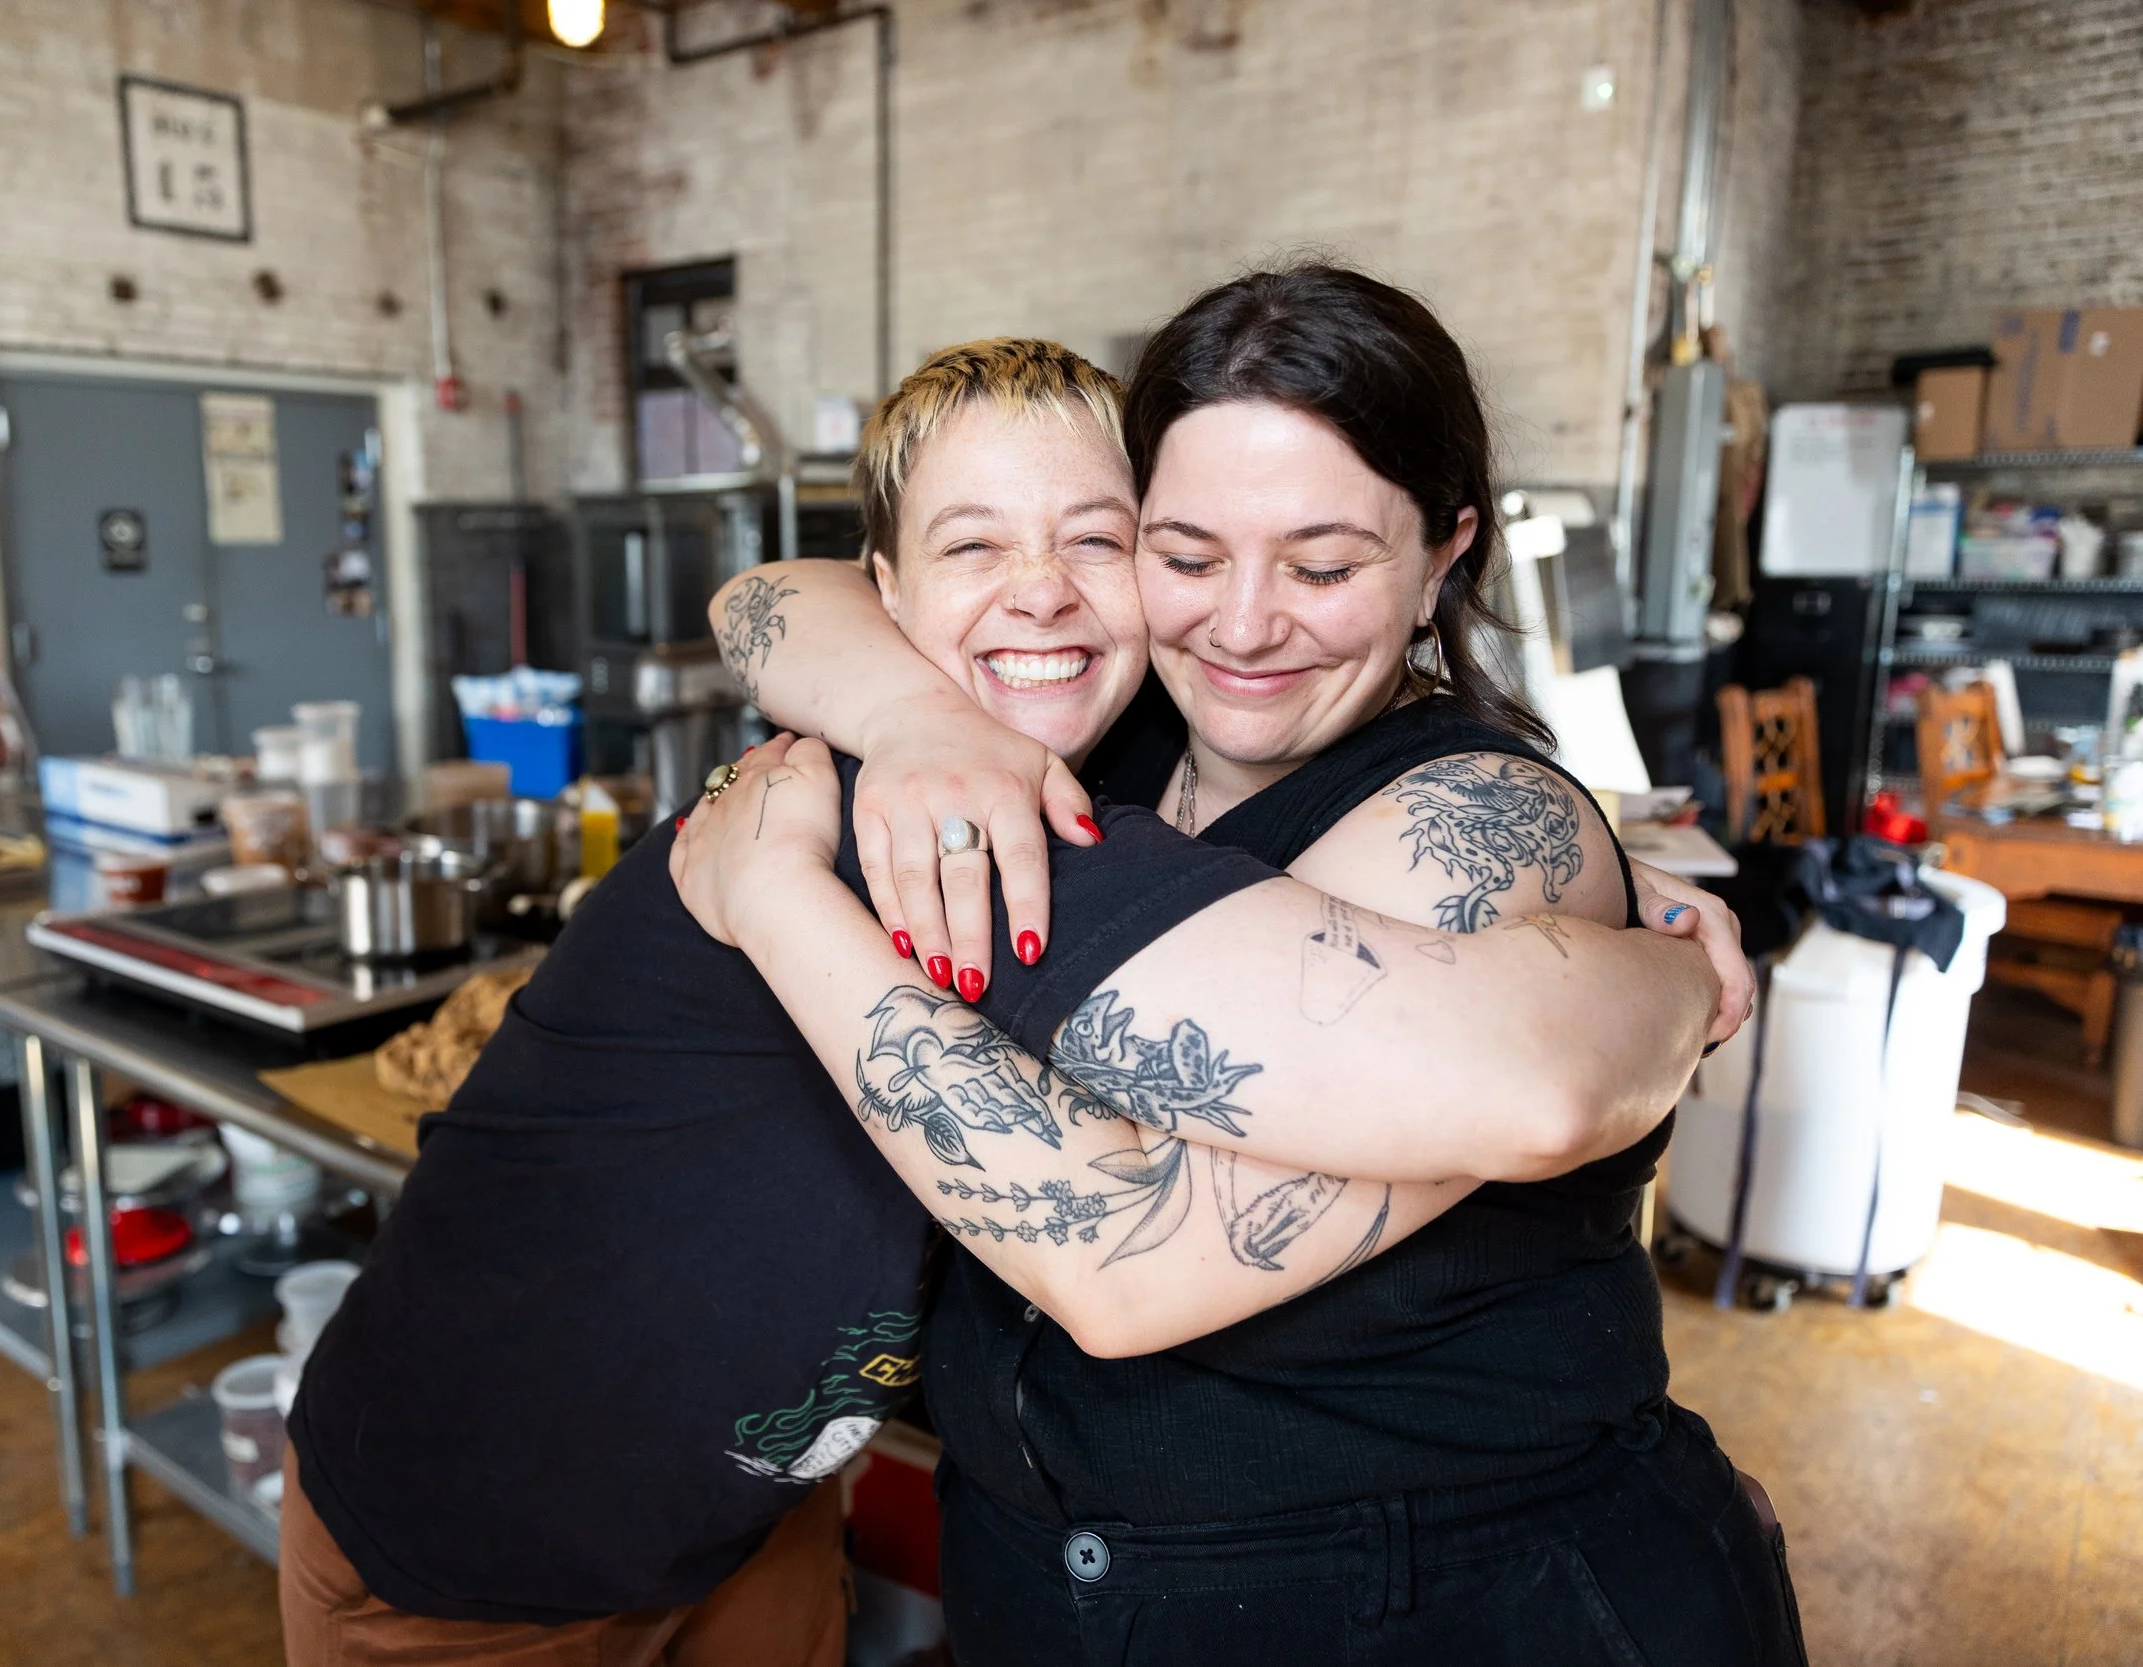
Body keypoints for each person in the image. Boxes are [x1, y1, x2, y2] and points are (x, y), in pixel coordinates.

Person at [281, 337, 1730, 1666]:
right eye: (973, 544)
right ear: (889, 589)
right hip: (460, 1541)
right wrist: (1671, 968)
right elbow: (763, 598)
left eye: (1100, 540)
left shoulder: (1112, 774)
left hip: (742, 1524)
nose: (1040, 590)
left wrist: (1614, 885)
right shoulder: (910, 814)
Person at [689, 267, 1803, 1663]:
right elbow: (764, 599)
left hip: (1449, 1608)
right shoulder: (1103, 735)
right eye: (1185, 554)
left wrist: (775, 890)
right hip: (1059, 1592)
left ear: (1444, 551)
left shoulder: (1481, 829)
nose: (1242, 625)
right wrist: (919, 722)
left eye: (1323, 567)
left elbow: (1122, 1263)